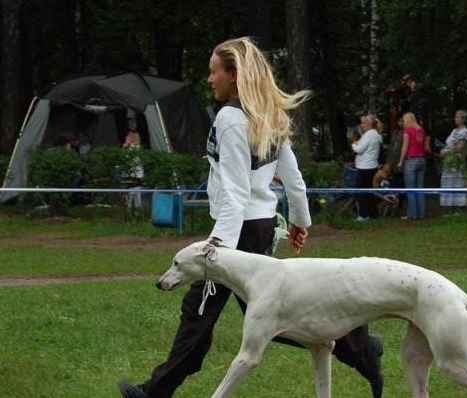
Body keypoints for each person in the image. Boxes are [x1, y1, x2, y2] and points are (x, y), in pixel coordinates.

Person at [118, 37, 383, 398]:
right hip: (257, 227)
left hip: (236, 230)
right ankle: (359, 346)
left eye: (214, 71)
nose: (209, 79)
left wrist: (216, 249)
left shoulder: (229, 119)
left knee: (200, 314)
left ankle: (155, 392)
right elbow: (293, 179)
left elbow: (235, 190)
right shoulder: (269, 114)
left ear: (234, 76)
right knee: (257, 315)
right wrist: (300, 221)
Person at [352, 114, 383, 221]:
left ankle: (363, 215)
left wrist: (354, 144)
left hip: (364, 168)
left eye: (364, 123)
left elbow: (359, 149)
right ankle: (373, 214)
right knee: (370, 192)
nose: (362, 125)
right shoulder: (375, 134)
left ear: (369, 124)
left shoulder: (369, 135)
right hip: (372, 167)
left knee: (360, 192)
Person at [439, 110, 467, 214]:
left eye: (458, 117)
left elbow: (459, 147)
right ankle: (449, 209)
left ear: (463, 119)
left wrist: (447, 151)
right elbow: (449, 144)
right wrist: (443, 150)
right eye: (455, 117)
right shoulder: (454, 131)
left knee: (458, 183)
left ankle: (459, 210)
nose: (455, 119)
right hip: (448, 162)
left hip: (457, 161)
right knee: (448, 184)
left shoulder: (464, 131)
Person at [398, 112, 428, 220]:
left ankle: (412, 214)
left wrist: (401, 160)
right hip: (422, 160)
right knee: (420, 188)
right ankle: (421, 213)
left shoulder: (408, 130)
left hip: (411, 160)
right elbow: (425, 146)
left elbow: (405, 146)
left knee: (410, 189)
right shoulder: (421, 129)